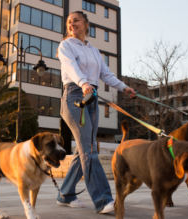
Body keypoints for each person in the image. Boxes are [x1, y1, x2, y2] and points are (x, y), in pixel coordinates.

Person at [56, 11, 136, 214]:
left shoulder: (94, 51)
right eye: (69, 21)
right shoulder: (66, 45)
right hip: (75, 98)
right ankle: (103, 200)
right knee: (89, 151)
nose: (72, 24)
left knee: (84, 149)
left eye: (76, 20)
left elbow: (106, 74)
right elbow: (71, 67)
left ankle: (65, 194)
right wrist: (83, 83)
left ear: (85, 24)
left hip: (90, 98)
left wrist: (124, 87)